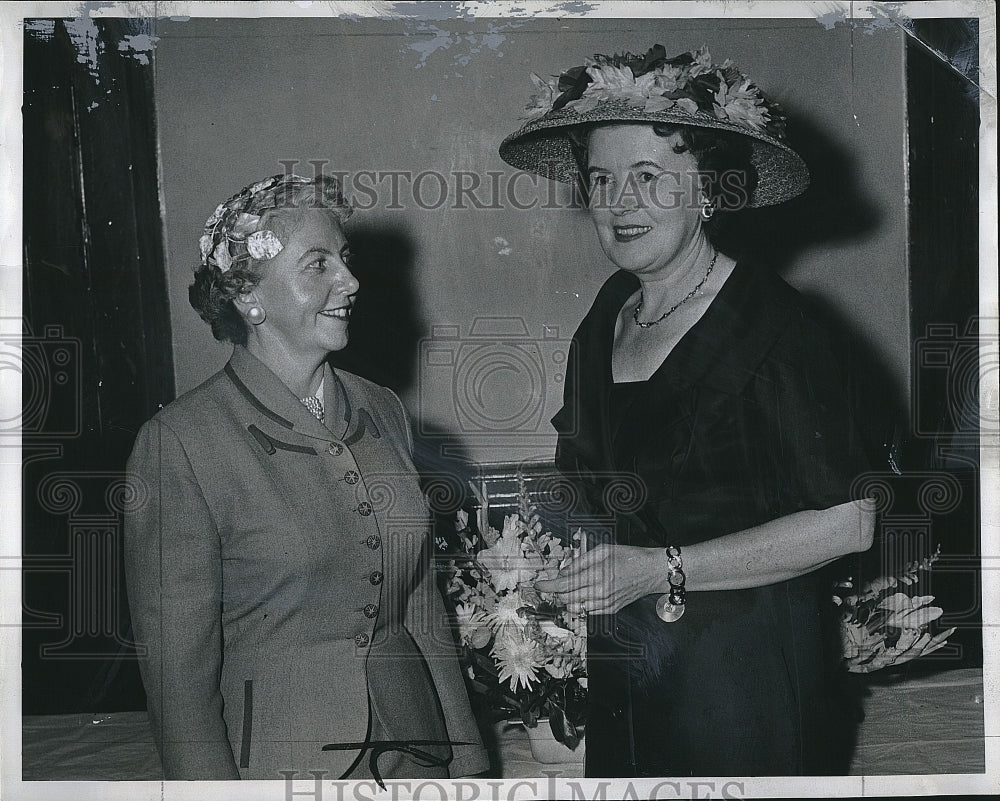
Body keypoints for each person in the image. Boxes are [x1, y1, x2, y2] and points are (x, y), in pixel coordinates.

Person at [499, 46, 876, 776]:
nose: (619, 203)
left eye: (648, 177)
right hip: (628, 668)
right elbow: (578, 481)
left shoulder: (776, 325)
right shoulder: (609, 313)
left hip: (745, 680)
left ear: (708, 191)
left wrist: (663, 567)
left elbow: (851, 519)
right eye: (602, 180)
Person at [124, 173, 488, 781]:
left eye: (343, 259)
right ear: (249, 296)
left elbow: (419, 599)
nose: (350, 281)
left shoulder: (381, 409)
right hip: (280, 769)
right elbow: (177, 682)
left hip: (414, 755)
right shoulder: (181, 444)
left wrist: (470, 765)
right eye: (317, 265)